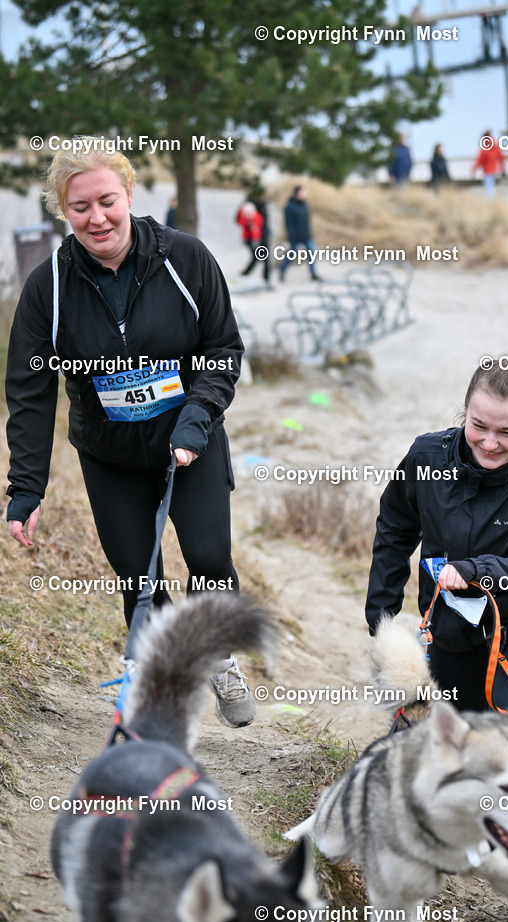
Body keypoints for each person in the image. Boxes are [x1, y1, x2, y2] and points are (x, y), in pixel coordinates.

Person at [5, 139, 255, 729]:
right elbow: (30, 390)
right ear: (62, 211)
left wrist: (197, 419)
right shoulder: (50, 287)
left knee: (209, 557)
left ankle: (217, 654)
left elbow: (222, 349)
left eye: (107, 201)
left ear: (130, 194)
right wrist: (26, 487)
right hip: (110, 454)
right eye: (80, 207)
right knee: (138, 575)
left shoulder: (185, 259)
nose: (97, 218)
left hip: (189, 442)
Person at [365, 358, 508, 922]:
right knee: (436, 737)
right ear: (464, 412)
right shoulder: (427, 456)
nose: (490, 442)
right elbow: (395, 525)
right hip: (455, 628)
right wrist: (382, 612)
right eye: (479, 425)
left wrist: (481, 571)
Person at [279, 185, 320, 283]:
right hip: (296, 237)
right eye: (302, 194)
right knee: (291, 255)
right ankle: (282, 271)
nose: (304, 195)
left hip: (306, 235)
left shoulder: (304, 205)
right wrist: (292, 236)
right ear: (296, 194)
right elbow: (288, 224)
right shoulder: (289, 207)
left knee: (312, 254)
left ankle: (313, 274)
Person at [235, 199, 264, 278]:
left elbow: (260, 222)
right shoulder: (244, 219)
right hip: (248, 239)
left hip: (256, 239)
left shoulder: (256, 217)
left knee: (256, 257)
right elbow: (239, 220)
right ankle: (245, 274)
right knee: (255, 257)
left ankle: (246, 273)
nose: (249, 214)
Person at [472, 130, 506, 197]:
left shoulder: (485, 147)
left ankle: (491, 201)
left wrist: (474, 168)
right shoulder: (495, 146)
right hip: (495, 170)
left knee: (489, 187)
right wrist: (503, 168)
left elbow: (480, 159)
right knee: (492, 187)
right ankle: (493, 201)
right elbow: (501, 157)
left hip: (487, 170)